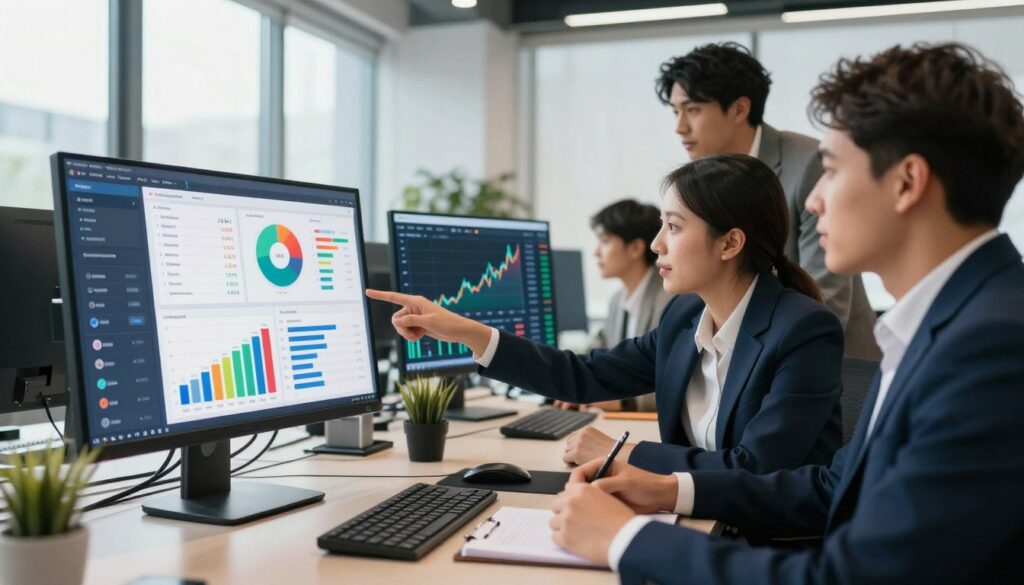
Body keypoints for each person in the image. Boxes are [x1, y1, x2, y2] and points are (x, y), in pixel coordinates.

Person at [549, 43, 1024, 584]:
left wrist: (624, 539)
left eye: (831, 169)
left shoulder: (993, 348)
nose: (814, 199)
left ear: (907, 182)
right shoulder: (947, 323)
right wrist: (670, 487)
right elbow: (831, 489)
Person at [369, 153, 845, 474]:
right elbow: (582, 377)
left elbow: (753, 467)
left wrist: (625, 454)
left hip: (773, 544)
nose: (657, 243)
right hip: (698, 512)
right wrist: (461, 329)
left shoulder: (802, 330)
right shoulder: (685, 317)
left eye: (674, 227)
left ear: (731, 242)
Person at [658, 42, 880, 360]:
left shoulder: (810, 164)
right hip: (745, 358)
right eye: (675, 111)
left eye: (692, 109)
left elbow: (825, 293)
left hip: (830, 363)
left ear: (739, 109)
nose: (680, 127)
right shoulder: (700, 182)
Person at [558, 199, 672, 412]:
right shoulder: (617, 302)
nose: (596, 252)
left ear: (635, 248)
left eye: (605, 241)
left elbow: (681, 383)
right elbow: (597, 357)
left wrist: (625, 401)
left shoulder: (670, 300)